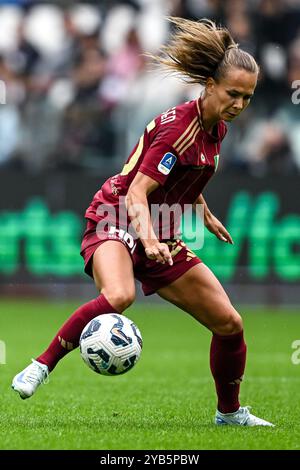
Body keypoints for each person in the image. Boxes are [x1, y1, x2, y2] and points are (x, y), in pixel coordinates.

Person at [12, 18, 274, 427]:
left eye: (247, 97)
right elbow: (137, 191)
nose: (239, 104)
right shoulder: (179, 131)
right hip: (116, 215)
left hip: (159, 229)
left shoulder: (216, 127)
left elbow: (182, 179)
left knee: (229, 323)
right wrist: (149, 240)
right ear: (208, 85)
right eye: (233, 94)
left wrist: (202, 212)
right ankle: (41, 365)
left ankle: (230, 413)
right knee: (119, 296)